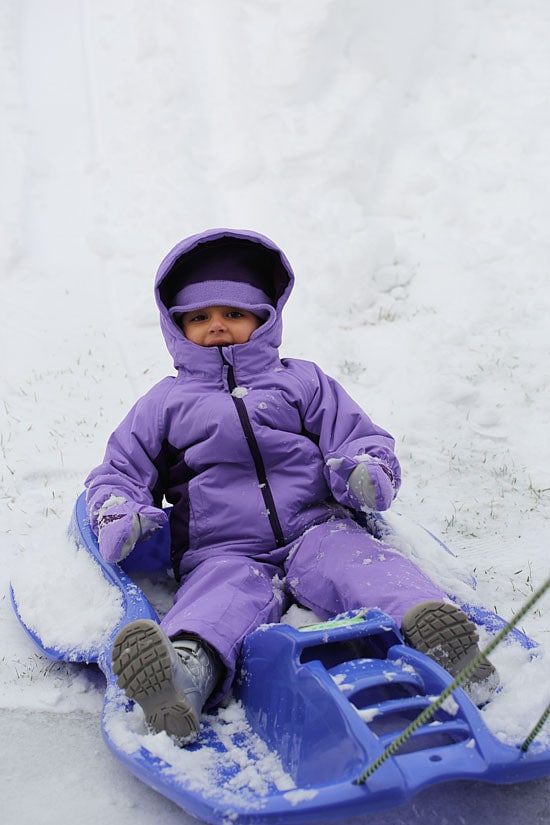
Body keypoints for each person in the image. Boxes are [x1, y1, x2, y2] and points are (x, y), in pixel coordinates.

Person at [85, 228, 496, 743]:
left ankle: (436, 635)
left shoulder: (301, 381)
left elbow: (357, 435)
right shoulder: (164, 404)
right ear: (177, 326)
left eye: (233, 313)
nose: (217, 326)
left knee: (363, 565)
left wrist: (364, 470)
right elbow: (119, 471)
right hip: (223, 548)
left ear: (264, 318)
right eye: (199, 317)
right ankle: (182, 675)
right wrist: (120, 512)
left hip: (314, 526)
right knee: (218, 600)